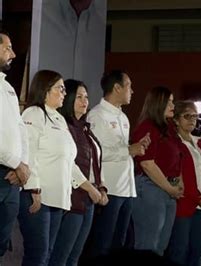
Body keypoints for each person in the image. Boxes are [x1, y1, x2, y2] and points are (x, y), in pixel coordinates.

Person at [18, 70, 99, 266]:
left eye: (64, 89)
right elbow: (29, 153)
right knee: (37, 256)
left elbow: (69, 163)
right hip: (39, 196)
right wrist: (33, 188)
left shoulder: (59, 119)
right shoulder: (34, 113)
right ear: (45, 90)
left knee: (48, 255)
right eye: (60, 89)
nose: (64, 93)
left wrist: (89, 187)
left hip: (58, 198)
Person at [86, 70, 150, 258]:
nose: (132, 91)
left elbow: (120, 150)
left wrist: (135, 147)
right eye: (129, 85)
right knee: (102, 245)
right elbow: (96, 153)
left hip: (126, 189)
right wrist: (129, 150)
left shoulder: (123, 117)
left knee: (120, 245)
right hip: (109, 190)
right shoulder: (97, 115)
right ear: (117, 88)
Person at [49, 79, 108, 265]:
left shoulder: (85, 128)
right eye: (79, 97)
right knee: (61, 257)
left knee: (75, 257)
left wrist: (102, 186)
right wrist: (91, 188)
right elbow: (70, 164)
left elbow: (95, 163)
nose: (85, 101)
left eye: (87, 97)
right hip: (72, 199)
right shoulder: (63, 126)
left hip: (89, 198)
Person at [131, 86, 183, 256]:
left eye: (172, 101)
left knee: (160, 246)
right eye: (169, 102)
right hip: (150, 188)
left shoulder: (169, 129)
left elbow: (178, 158)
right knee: (148, 245)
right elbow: (147, 164)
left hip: (168, 191)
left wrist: (177, 184)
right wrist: (170, 188)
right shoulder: (147, 127)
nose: (173, 105)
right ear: (158, 103)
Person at [167, 100, 201, 266]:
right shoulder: (174, 143)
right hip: (183, 205)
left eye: (195, 116)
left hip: (200, 206)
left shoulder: (199, 143)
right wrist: (199, 198)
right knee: (179, 251)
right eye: (187, 116)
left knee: (199, 250)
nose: (192, 119)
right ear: (176, 119)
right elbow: (182, 177)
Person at [0, 32, 30, 263]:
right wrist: (17, 163)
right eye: (7, 48)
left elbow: (21, 130)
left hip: (12, 176)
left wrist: (24, 166)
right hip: (7, 168)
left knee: (2, 244)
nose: (13, 53)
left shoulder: (8, 88)